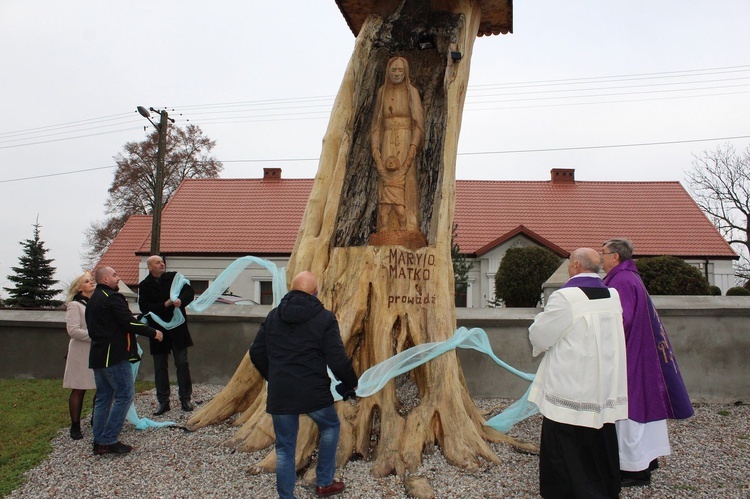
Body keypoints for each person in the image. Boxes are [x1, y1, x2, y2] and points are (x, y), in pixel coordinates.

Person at [528, 248, 628, 498]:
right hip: (603, 382)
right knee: (600, 436)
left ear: (574, 266)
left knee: (567, 441)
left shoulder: (566, 297)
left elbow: (541, 335)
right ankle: (603, 488)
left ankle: (567, 491)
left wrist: (536, 328)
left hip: (572, 383)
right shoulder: (612, 295)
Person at [249, 271, 358, 499]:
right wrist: (351, 384)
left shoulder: (274, 316)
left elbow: (256, 352)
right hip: (313, 391)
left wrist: (274, 376)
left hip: (282, 392)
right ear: (314, 292)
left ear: (292, 290)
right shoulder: (325, 318)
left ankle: (286, 496)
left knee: (284, 448)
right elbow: (337, 359)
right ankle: (325, 482)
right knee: (330, 426)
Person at [601, 238, 694, 487]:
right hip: (642, 349)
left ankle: (634, 471)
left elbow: (623, 320)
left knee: (631, 408)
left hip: (631, 352)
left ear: (616, 257)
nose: (601, 258)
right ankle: (648, 460)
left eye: (604, 253)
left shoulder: (621, 280)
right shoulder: (631, 276)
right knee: (645, 404)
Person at [87, 266, 163, 455]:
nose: (117, 278)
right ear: (105, 279)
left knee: (104, 398)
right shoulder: (113, 297)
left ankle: (99, 441)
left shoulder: (93, 299)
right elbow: (127, 322)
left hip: (98, 356)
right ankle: (108, 439)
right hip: (114, 356)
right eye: (114, 275)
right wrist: (153, 332)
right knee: (125, 395)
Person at [370, 55, 424, 233]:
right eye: (393, 70)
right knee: (385, 178)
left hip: (406, 139)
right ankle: (384, 226)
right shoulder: (382, 92)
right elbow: (377, 124)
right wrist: (375, 149)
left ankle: (409, 224)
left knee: (407, 178)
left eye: (400, 70)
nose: (397, 74)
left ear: (406, 72)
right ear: (388, 72)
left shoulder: (412, 92)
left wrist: (413, 147)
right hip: (387, 141)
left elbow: (418, 124)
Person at [138, 255, 195, 415]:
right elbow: (144, 307)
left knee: (182, 363)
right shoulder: (144, 285)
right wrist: (163, 305)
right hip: (158, 330)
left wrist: (181, 301)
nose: (162, 264)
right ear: (150, 267)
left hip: (178, 329)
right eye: (158, 262)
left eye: (162, 262)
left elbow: (189, 291)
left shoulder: (174, 277)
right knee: (160, 366)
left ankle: (185, 398)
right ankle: (163, 401)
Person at [63, 271, 97, 440]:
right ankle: (75, 425)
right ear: (79, 288)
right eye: (86, 281)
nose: (91, 282)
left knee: (102, 386)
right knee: (79, 388)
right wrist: (97, 335)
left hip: (97, 350)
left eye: (91, 280)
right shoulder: (74, 305)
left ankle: (96, 419)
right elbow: (73, 331)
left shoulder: (96, 303)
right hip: (80, 352)